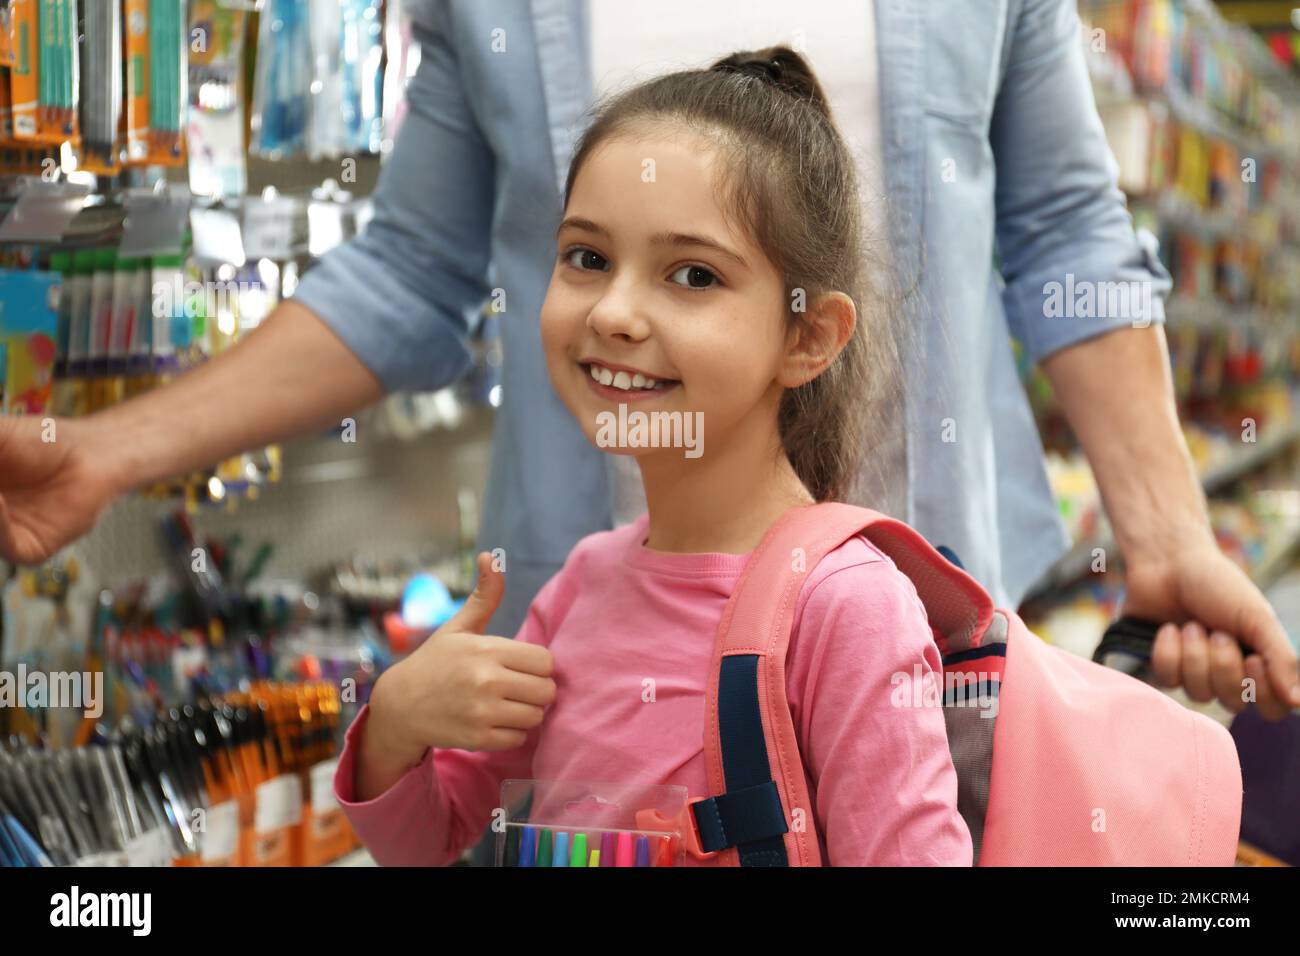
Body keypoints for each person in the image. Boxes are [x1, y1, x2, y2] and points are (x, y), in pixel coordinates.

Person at [0, 0, 1293, 726]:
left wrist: (1167, 530)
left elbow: (1067, 229)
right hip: (595, 656)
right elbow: (409, 270)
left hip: (926, 633)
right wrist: (109, 452)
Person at [339, 48, 973, 865]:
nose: (614, 312)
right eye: (588, 258)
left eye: (693, 275)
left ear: (808, 336)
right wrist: (397, 721)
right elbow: (430, 838)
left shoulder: (847, 609)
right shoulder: (581, 585)